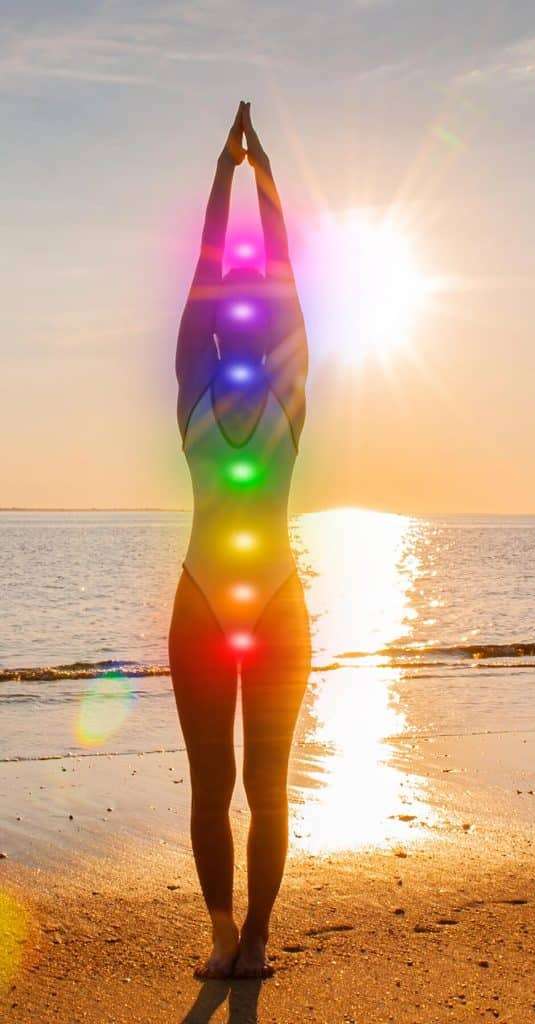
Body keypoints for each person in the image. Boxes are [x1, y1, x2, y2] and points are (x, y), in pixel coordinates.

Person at [168, 101, 310, 980]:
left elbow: (273, 276)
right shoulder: (212, 392)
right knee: (219, 790)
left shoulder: (260, 395)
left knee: (259, 789)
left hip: (259, 603)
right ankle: (229, 936)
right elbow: (221, 277)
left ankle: (248, 938)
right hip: (212, 607)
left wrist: (251, 177)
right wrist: (238, 178)